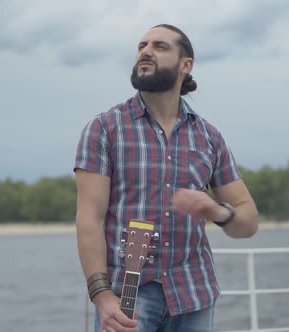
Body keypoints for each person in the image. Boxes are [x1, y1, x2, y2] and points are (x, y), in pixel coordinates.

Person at [73, 23, 259, 332]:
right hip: (128, 296)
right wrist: (102, 296)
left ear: (186, 65)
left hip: (194, 294)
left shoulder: (209, 136)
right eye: (141, 46)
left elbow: (249, 222)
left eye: (160, 46)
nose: (145, 51)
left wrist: (217, 211)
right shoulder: (104, 128)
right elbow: (89, 219)